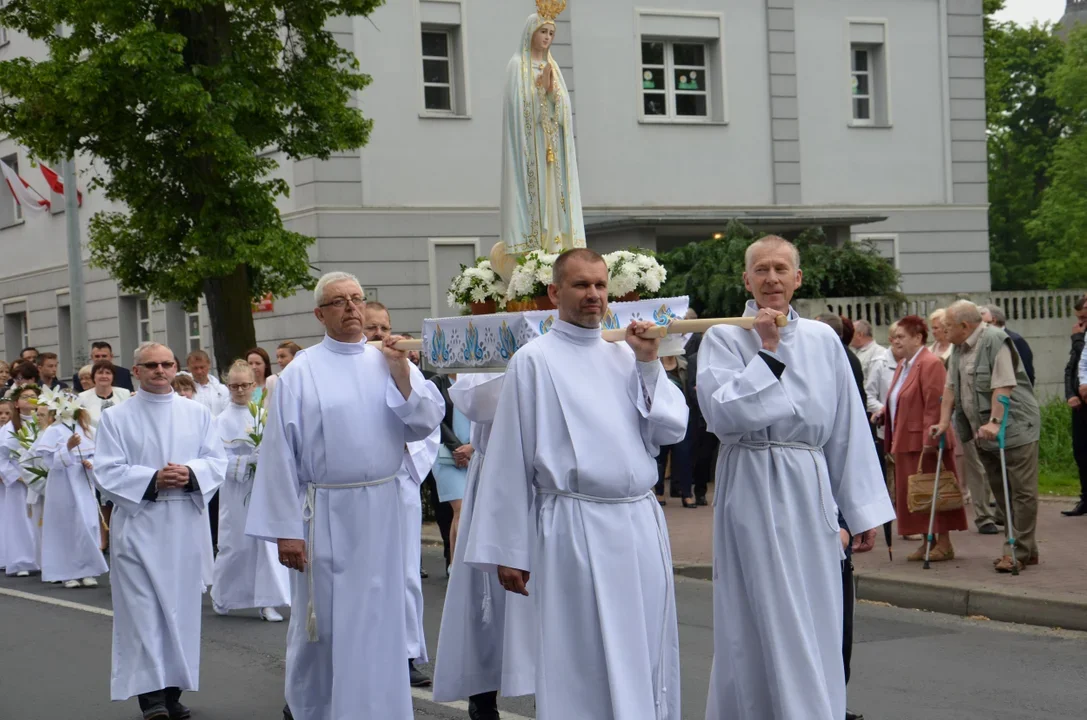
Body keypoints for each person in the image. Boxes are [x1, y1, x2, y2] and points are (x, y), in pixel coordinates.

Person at [463, 248, 688, 719]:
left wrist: (649, 364)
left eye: (600, 285)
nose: (593, 295)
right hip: (572, 524)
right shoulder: (534, 360)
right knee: (579, 656)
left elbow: (670, 430)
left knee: (644, 643)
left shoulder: (629, 352)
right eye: (581, 285)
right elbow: (509, 459)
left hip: (637, 521)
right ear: (554, 292)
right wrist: (509, 549)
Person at [696, 237, 895, 720]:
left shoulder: (824, 340)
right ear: (746, 280)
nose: (771, 279)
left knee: (814, 608)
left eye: (781, 269)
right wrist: (767, 351)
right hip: (751, 478)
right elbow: (722, 415)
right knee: (759, 608)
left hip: (808, 485)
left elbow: (847, 426)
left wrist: (860, 509)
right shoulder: (723, 336)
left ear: (797, 278)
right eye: (761, 270)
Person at [245, 271, 443, 720]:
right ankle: (313, 708)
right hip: (326, 512)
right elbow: (280, 454)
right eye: (339, 302)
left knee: (381, 618)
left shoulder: (390, 360)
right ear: (320, 314)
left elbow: (426, 421)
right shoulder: (301, 372)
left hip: (382, 509)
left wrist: (400, 373)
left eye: (357, 298)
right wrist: (286, 531)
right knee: (326, 625)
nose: (352, 307)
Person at [94, 342, 227, 719]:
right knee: (143, 612)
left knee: (180, 612)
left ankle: (172, 692)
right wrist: (153, 478)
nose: (160, 370)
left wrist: (191, 474)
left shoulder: (197, 413)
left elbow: (217, 460)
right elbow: (106, 469)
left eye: (167, 364)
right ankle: (150, 697)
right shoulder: (116, 418)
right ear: (135, 372)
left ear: (175, 367)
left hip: (184, 523)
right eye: (150, 365)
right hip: (138, 524)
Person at [432, 372, 535, 720]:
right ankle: (483, 698)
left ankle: (549, 693)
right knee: (486, 596)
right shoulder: (493, 357)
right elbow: (474, 401)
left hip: (545, 488)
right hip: (493, 479)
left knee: (545, 603)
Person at [362, 301, 442, 688]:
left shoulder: (407, 368)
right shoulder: (344, 370)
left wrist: (407, 463)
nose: (379, 334)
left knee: (406, 573)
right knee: (365, 573)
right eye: (371, 327)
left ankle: (407, 652)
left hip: (399, 484)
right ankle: (365, 650)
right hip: (355, 490)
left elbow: (431, 422)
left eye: (384, 327)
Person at [933, 300, 1041, 573]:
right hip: (981, 432)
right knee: (1002, 493)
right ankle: (1027, 548)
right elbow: (950, 388)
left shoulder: (995, 340)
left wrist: (995, 421)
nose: (943, 331)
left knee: (1021, 492)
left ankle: (1016, 550)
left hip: (1014, 429)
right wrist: (944, 422)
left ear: (964, 326)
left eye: (947, 326)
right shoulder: (958, 349)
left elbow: (1003, 385)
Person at [492, 2, 585, 278]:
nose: (546, 37)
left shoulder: (553, 67)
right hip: (529, 152)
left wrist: (552, 94)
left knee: (555, 201)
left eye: (550, 33)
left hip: (552, 149)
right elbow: (516, 114)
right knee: (537, 198)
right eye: (542, 31)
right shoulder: (516, 67)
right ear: (530, 32)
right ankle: (533, 251)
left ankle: (556, 245)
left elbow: (564, 113)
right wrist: (539, 93)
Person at [875, 316, 968, 561]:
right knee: (917, 496)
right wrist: (885, 413)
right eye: (893, 337)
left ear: (918, 338)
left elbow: (935, 405)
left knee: (934, 491)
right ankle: (929, 541)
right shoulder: (906, 364)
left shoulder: (929, 363)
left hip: (924, 441)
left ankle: (944, 542)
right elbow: (900, 398)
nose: (895, 341)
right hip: (906, 440)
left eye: (901, 337)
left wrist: (930, 441)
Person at [211, 360, 290, 623]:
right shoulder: (220, 421)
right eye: (234, 386)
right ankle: (224, 595)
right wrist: (247, 462)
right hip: (237, 490)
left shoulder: (262, 414)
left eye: (245, 385)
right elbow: (217, 459)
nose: (240, 390)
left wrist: (267, 457)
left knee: (266, 544)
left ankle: (267, 602)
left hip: (264, 486)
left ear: (254, 385)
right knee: (236, 545)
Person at [34, 400, 109, 589]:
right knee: (65, 526)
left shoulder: (86, 429)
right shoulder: (54, 430)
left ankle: (87, 569)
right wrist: (67, 448)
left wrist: (92, 464)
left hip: (83, 482)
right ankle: (67, 572)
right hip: (62, 485)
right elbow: (49, 462)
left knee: (88, 524)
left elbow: (96, 454)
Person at [0, 384, 43, 577]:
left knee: (39, 519)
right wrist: (16, 476)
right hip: (19, 480)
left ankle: (41, 558)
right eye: (25, 396)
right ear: (17, 403)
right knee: (20, 519)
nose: (30, 399)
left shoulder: (43, 423)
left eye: (33, 396)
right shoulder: (10, 427)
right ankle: (21, 559)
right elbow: (2, 457)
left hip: (39, 476)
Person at [655, 353, 696, 508]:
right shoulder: (655, 364)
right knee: (660, 457)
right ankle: (659, 492)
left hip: (682, 417)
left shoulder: (685, 366)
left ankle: (686, 494)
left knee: (684, 457)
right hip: (661, 418)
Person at [1063, 295, 1087, 517]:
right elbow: (1071, 368)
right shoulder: (1079, 337)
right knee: (1081, 452)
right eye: (1079, 319)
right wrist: (1070, 394)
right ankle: (1085, 498)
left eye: (1083, 319)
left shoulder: (1080, 338)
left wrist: (1078, 338)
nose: (1079, 324)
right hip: (1080, 404)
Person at [981, 305, 1035, 387]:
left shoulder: (1015, 340)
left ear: (993, 321)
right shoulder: (987, 340)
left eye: (982, 322)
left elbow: (1027, 372)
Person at [78, 361, 133, 426]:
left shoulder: (124, 394)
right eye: (100, 373)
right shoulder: (82, 397)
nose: (104, 376)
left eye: (108, 373)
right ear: (93, 376)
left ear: (113, 377)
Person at [185, 349, 228, 416]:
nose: (199, 371)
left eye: (202, 367)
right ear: (188, 367)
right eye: (195, 368)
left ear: (209, 365)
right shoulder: (183, 389)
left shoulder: (222, 389)